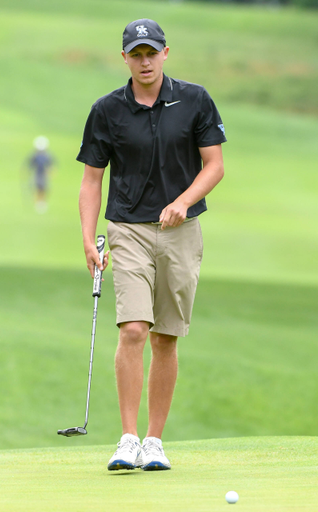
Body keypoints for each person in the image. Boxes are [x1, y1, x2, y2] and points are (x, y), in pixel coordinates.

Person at [77, 18, 226, 471]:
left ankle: (154, 442)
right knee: (134, 329)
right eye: (136, 54)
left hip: (181, 232)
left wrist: (184, 201)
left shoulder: (195, 99)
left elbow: (214, 165)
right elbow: (91, 179)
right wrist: (87, 239)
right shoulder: (108, 109)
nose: (144, 61)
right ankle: (127, 438)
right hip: (128, 230)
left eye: (151, 52)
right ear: (125, 58)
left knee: (165, 337)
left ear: (165, 53)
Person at [27, 136, 55, 213]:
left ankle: (42, 203)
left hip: (44, 174)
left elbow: (50, 165)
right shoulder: (35, 155)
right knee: (37, 188)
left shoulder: (47, 155)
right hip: (37, 174)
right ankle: (37, 203)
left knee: (44, 189)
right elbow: (31, 164)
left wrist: (50, 172)